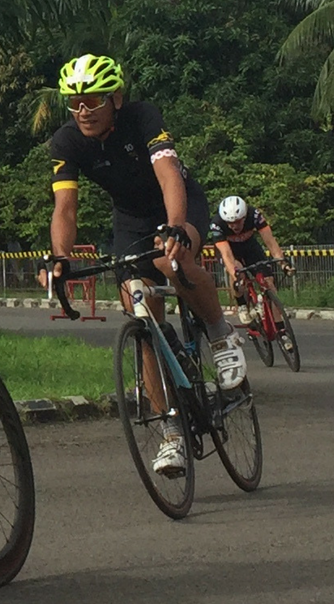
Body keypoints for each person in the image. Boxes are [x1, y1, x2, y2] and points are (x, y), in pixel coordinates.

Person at [42, 54, 248, 479]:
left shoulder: (142, 117)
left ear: (115, 98)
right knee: (140, 315)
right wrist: (60, 255)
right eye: (74, 102)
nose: (83, 111)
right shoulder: (66, 141)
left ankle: (220, 334)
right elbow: (65, 207)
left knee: (170, 260)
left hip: (178, 202)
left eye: (93, 101)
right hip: (131, 219)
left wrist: (175, 227)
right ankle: (170, 428)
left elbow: (169, 173)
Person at [209, 194, 291, 324]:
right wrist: (235, 275)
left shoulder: (254, 214)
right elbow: (226, 254)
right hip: (229, 250)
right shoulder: (217, 224)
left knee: (269, 282)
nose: (234, 226)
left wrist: (282, 262)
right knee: (238, 272)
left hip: (250, 247)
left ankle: (280, 328)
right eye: (230, 223)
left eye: (237, 222)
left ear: (244, 216)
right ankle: (241, 303)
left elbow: (270, 241)